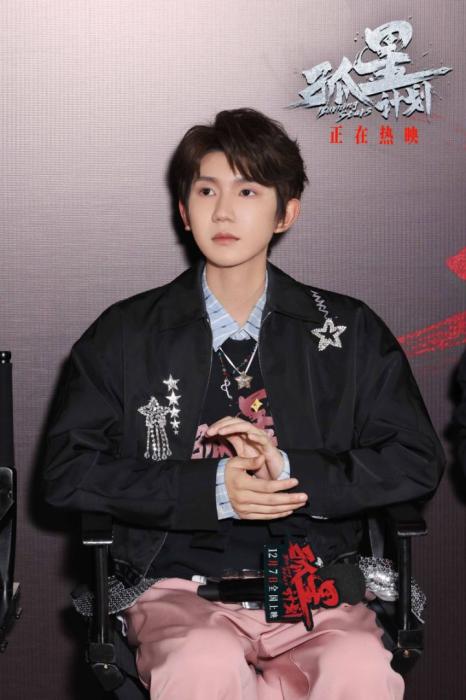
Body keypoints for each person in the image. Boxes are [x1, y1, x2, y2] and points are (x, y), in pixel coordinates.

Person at [43, 108, 444, 699]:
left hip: (316, 589)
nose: (224, 211)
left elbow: (415, 459)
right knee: (201, 662)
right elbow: (67, 471)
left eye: (248, 191)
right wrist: (212, 489)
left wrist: (290, 471)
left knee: (358, 666)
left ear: (286, 213)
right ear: (184, 210)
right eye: (207, 190)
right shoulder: (125, 334)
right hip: (177, 588)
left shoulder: (349, 330)